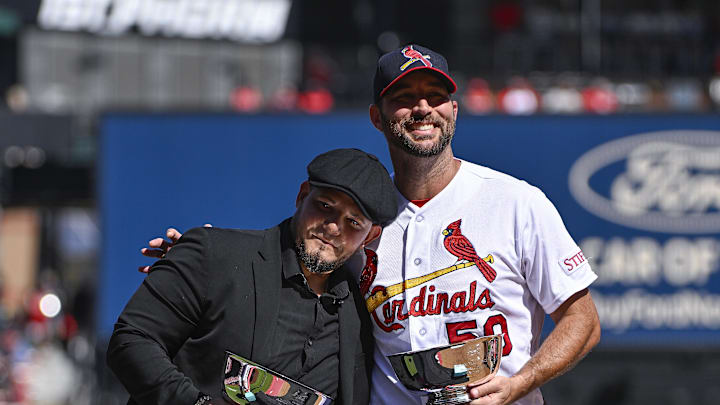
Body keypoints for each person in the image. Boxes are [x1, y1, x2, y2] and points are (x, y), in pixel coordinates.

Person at [142, 44, 601, 405]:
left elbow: (583, 320)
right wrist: (205, 261)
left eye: (436, 97)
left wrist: (521, 383)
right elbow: (284, 263)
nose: (423, 108)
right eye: (404, 99)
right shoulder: (358, 222)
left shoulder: (515, 202)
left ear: (454, 111)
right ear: (376, 118)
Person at [107, 148, 398, 405]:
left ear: (370, 236)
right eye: (325, 206)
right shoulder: (214, 254)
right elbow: (132, 340)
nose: (334, 228)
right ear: (303, 195)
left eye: (353, 222)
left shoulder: (363, 313)